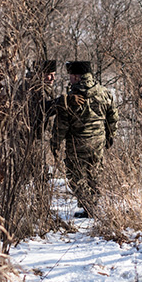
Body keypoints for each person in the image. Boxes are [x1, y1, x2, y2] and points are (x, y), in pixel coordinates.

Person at [49, 60, 118, 218]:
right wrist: (110, 136)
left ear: (76, 76)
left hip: (77, 143)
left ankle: (89, 207)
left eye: (71, 76)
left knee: (76, 176)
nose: (70, 79)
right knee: (94, 173)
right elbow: (113, 117)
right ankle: (93, 206)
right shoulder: (105, 93)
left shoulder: (71, 98)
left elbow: (61, 125)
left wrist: (55, 143)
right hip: (98, 142)